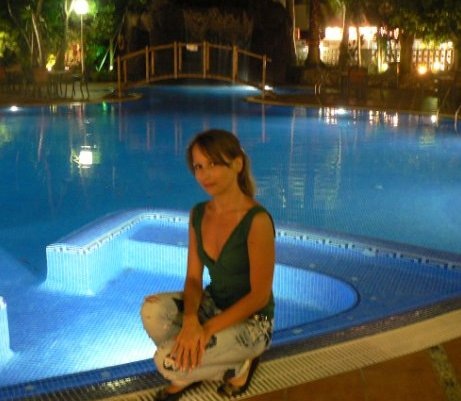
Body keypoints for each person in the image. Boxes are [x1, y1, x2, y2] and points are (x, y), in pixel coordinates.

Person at [141, 129, 275, 400]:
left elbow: (259, 296)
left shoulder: (257, 221)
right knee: (152, 311)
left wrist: (204, 330)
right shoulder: (199, 214)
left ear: (237, 164)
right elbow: (193, 279)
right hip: (212, 305)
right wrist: (191, 320)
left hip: (253, 322)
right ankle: (199, 366)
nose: (204, 174)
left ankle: (238, 367)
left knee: (166, 361)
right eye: (198, 167)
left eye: (213, 164)